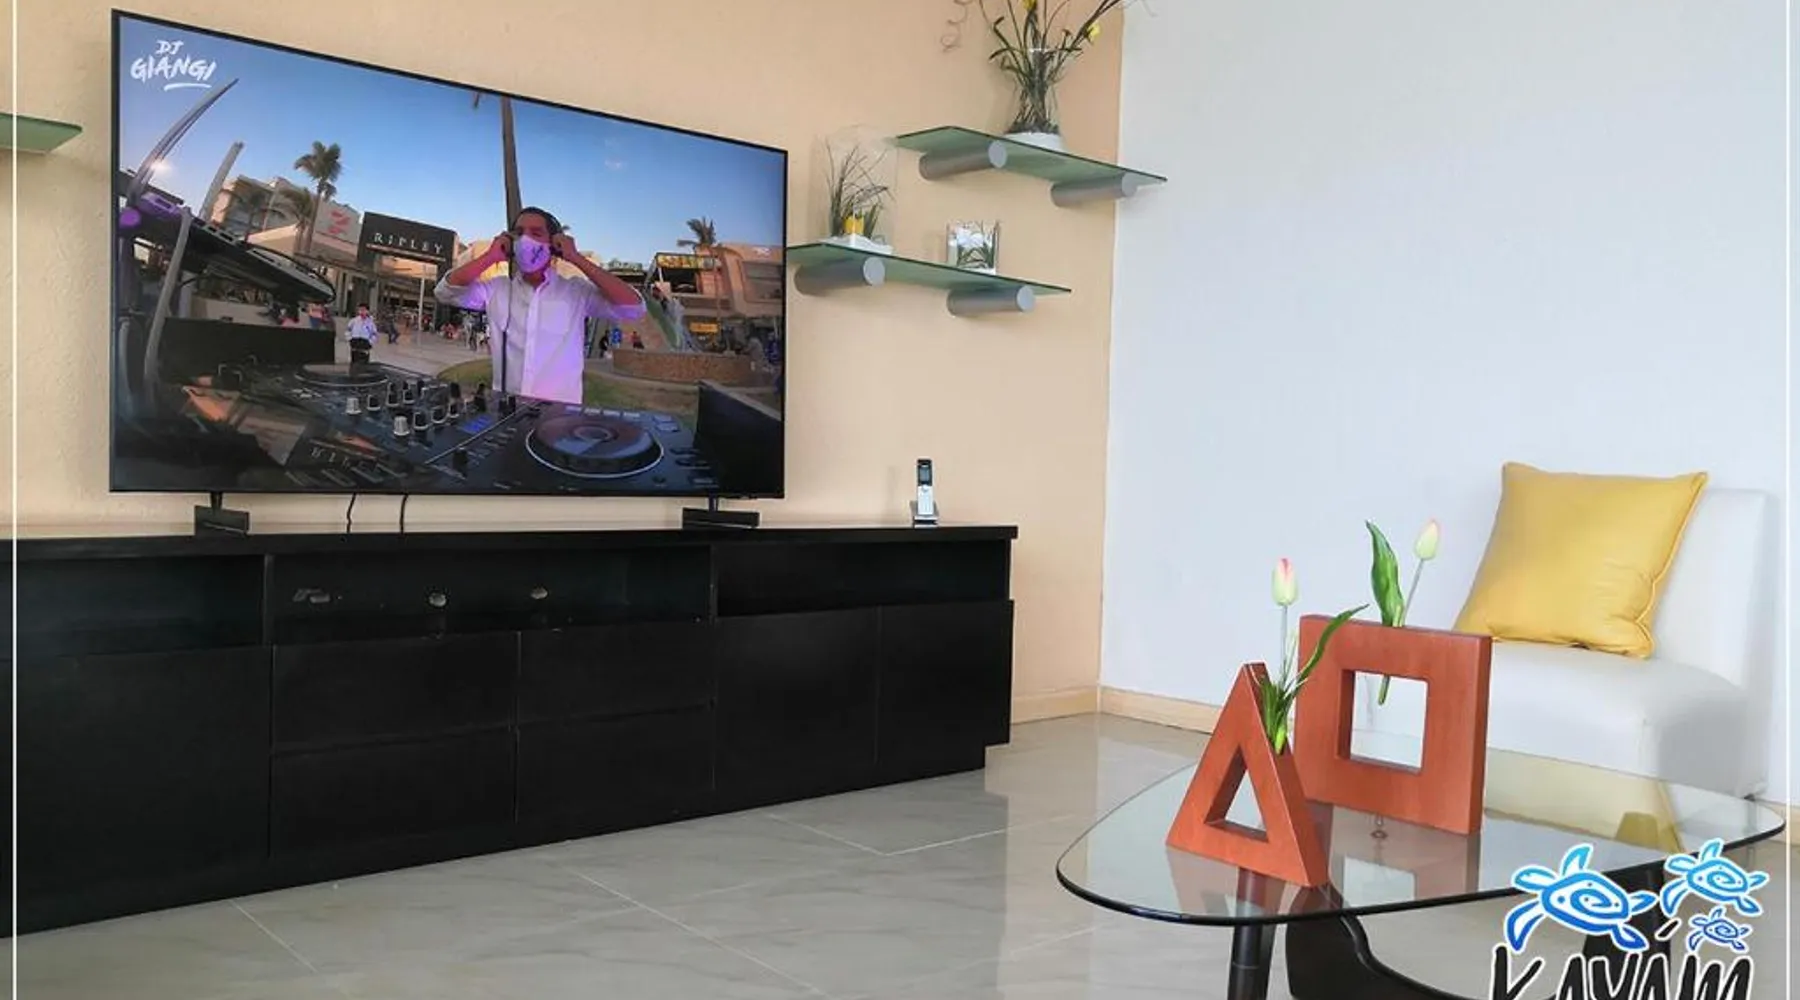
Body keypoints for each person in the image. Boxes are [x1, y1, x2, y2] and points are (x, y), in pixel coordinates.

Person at [435, 206, 646, 405]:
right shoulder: (496, 289)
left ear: (554, 244)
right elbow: (444, 292)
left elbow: (634, 308)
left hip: (560, 419)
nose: (525, 240)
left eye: (536, 233)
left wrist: (576, 258)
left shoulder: (577, 291)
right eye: (519, 233)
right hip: (506, 412)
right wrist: (491, 257)